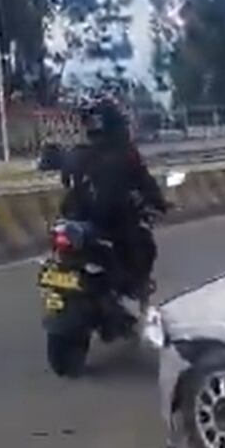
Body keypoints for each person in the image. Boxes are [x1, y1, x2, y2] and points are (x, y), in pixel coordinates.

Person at [57, 98, 168, 304]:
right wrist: (157, 202)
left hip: (79, 219)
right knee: (143, 244)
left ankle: (125, 290)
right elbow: (145, 181)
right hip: (110, 222)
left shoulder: (78, 154)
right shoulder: (125, 153)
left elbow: (66, 181)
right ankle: (134, 287)